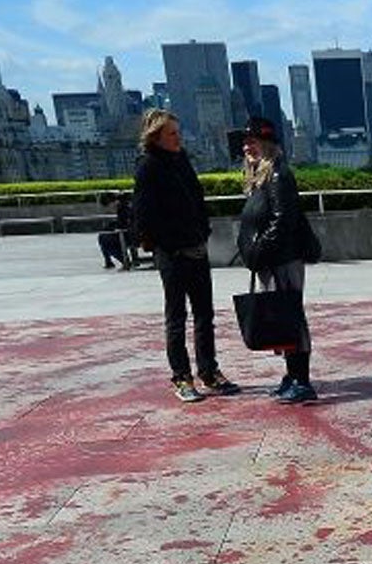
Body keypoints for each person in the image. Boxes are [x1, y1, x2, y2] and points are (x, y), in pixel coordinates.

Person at [132, 109, 238, 403]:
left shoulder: (182, 162)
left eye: (178, 132)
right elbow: (142, 215)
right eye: (172, 133)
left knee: (205, 315)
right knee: (176, 316)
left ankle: (209, 371)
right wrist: (162, 244)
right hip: (172, 253)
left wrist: (202, 232)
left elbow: (196, 200)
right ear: (156, 137)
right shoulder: (148, 167)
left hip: (196, 248)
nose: (178, 138)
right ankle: (181, 376)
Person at [236, 117, 319, 403]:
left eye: (253, 141)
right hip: (273, 259)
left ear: (268, 144)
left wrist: (260, 250)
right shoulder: (261, 175)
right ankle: (293, 375)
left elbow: (282, 219)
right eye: (246, 142)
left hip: (283, 258)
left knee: (291, 317)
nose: (248, 146)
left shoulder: (278, 175)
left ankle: (302, 379)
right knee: (282, 317)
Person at [99, 191, 143, 270]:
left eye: (109, 206)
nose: (110, 209)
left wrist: (116, 227)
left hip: (133, 234)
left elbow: (124, 224)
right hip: (135, 231)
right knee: (103, 235)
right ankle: (109, 261)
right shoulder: (125, 203)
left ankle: (123, 261)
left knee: (106, 241)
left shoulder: (123, 208)